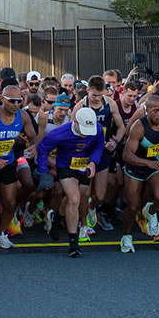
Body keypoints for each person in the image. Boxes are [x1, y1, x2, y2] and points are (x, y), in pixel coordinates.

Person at [0, 85, 39, 248]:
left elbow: (33, 137)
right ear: (2, 99)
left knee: (10, 202)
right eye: (12, 101)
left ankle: (0, 234)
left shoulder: (23, 116)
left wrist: (33, 146)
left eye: (19, 101)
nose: (16, 104)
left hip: (8, 161)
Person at [37, 107, 104, 257]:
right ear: (75, 122)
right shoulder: (59, 133)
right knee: (74, 200)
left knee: (76, 197)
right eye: (84, 129)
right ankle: (73, 243)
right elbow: (42, 149)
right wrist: (44, 173)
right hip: (66, 166)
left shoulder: (98, 129)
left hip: (84, 167)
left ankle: (56, 217)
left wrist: (93, 162)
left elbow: (99, 147)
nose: (86, 134)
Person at [120, 95, 159, 253]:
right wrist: (147, 162)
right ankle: (126, 235)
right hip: (136, 167)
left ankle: (150, 211)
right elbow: (126, 155)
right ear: (146, 111)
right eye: (155, 111)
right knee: (132, 206)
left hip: (155, 165)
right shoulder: (139, 127)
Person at [71, 75, 125, 237]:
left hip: (103, 152)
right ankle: (83, 225)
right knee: (85, 192)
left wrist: (115, 141)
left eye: (100, 95)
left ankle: (93, 207)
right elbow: (71, 130)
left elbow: (121, 127)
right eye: (94, 95)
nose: (96, 99)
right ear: (87, 91)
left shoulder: (110, 104)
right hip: (85, 153)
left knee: (100, 195)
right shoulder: (80, 106)